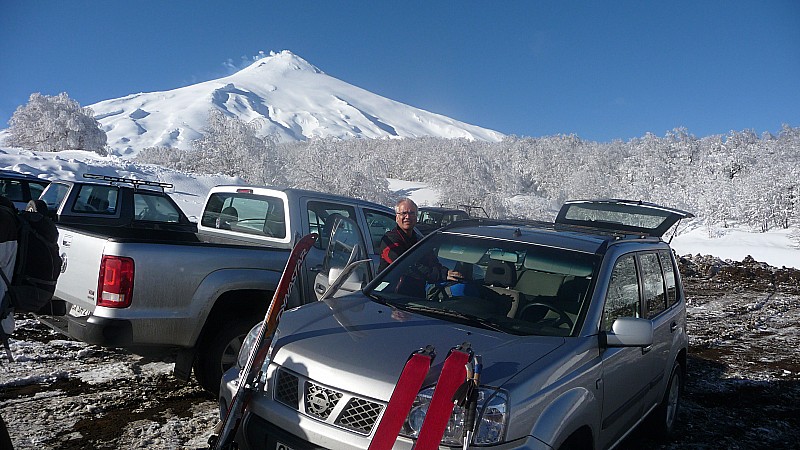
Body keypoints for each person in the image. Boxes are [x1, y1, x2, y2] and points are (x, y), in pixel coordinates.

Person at [378, 198, 461, 282]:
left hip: (414, 292)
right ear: (397, 217)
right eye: (403, 213)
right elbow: (404, 266)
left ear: (416, 217)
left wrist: (445, 272)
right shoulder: (390, 241)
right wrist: (439, 274)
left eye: (412, 213)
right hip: (389, 292)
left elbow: (431, 261)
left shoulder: (419, 240)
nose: (407, 217)